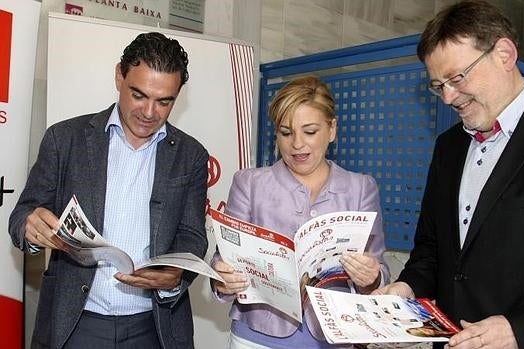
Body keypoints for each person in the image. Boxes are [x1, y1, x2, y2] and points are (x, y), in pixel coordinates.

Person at [373, 1, 524, 348]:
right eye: (437, 85)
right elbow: (431, 249)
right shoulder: (449, 147)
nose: (447, 97)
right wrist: (406, 287)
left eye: (457, 78)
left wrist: (520, 331)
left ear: (504, 54)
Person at [8, 32, 209, 349]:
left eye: (164, 101)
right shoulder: (65, 138)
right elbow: (23, 213)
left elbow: (192, 234)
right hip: (76, 322)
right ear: (119, 75)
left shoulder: (191, 155)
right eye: (139, 95)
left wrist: (175, 276)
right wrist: (30, 227)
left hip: (154, 327)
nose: (148, 112)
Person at [211, 76, 390, 348]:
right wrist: (223, 278)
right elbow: (223, 258)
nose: (297, 144)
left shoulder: (360, 188)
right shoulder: (250, 183)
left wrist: (371, 277)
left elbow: (379, 271)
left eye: (309, 131)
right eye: (286, 132)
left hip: (333, 338)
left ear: (332, 130)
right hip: (257, 337)